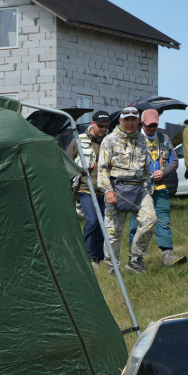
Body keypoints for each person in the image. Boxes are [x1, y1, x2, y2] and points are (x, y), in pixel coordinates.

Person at [99, 106, 158, 273]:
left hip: (140, 189)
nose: (130, 123)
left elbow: (146, 168)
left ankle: (135, 259)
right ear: (120, 121)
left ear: (139, 121)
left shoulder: (143, 140)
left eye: (133, 119)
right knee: (113, 232)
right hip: (116, 190)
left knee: (150, 220)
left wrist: (147, 189)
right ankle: (113, 268)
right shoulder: (109, 140)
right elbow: (102, 169)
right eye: (126, 120)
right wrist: (108, 190)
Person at [130, 108, 186, 267]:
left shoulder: (164, 138)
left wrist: (164, 172)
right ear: (142, 123)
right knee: (137, 223)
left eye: (154, 125)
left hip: (160, 188)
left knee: (163, 220)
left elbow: (174, 161)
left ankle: (167, 255)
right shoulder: (134, 139)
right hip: (139, 190)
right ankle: (134, 257)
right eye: (148, 125)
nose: (151, 128)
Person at [74, 110, 112, 265]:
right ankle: (88, 256)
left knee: (103, 223)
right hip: (85, 188)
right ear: (92, 124)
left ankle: (98, 257)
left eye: (106, 126)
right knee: (92, 220)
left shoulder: (109, 141)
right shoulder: (78, 140)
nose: (103, 129)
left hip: (104, 190)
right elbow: (67, 162)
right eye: (100, 126)